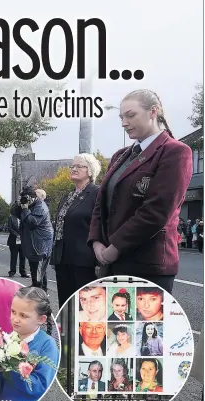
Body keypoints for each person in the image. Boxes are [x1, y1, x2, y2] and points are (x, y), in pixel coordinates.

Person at [88, 89, 193, 296]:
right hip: (111, 262)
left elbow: (157, 210)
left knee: (145, 328)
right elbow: (101, 204)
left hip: (147, 264)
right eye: (121, 117)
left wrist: (115, 247)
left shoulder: (175, 152)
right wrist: (96, 241)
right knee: (114, 326)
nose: (124, 123)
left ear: (153, 112)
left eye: (130, 115)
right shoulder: (120, 156)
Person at [0, 286, 60, 401]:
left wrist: (10, 368)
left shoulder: (47, 344)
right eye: (13, 312)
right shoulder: (9, 338)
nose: (15, 319)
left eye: (23, 315)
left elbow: (40, 386)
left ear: (41, 319)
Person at [51, 153, 101, 307]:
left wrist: (100, 260)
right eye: (72, 166)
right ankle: (66, 332)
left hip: (84, 261)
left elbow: (101, 225)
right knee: (66, 305)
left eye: (79, 166)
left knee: (84, 307)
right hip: (63, 259)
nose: (74, 169)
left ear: (90, 171)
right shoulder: (67, 196)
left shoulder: (97, 193)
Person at [19, 186, 54, 291]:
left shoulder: (40, 207)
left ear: (33, 197)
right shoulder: (32, 205)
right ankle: (37, 285)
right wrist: (20, 204)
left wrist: (25, 209)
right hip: (34, 241)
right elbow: (14, 213)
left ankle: (40, 289)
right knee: (34, 265)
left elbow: (32, 223)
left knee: (39, 267)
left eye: (26, 198)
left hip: (41, 242)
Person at [7, 203, 28, 278]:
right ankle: (12, 271)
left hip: (22, 241)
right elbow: (9, 228)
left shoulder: (24, 218)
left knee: (23, 257)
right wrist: (17, 235)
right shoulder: (12, 218)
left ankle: (23, 272)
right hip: (14, 240)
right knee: (14, 257)